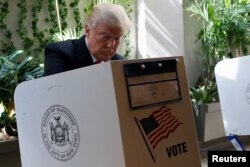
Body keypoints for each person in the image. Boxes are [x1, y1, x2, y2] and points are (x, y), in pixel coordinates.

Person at [44, 3, 131, 76]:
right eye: (105, 37)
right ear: (87, 31)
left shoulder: (121, 63)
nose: (111, 45)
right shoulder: (60, 54)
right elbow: (55, 93)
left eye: (117, 38)